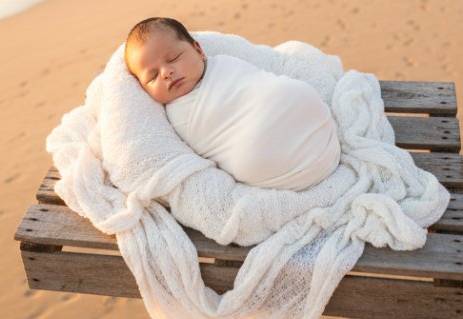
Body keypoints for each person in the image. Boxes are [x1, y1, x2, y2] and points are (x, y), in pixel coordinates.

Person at [123, 17, 341, 191]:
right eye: (152, 77)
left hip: (304, 117)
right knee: (255, 148)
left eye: (173, 58)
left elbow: (257, 83)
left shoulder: (225, 64)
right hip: (269, 162)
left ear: (198, 50)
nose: (166, 72)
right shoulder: (175, 118)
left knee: (290, 93)